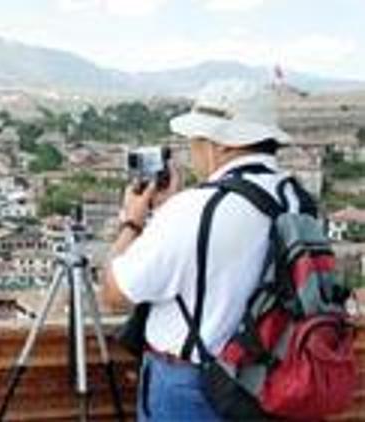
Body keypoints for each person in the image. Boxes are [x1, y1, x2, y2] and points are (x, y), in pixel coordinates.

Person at [102, 79, 299, 421]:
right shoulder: (295, 198)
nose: (191, 149)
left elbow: (114, 292)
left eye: (195, 139)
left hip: (192, 389)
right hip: (268, 379)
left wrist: (131, 223)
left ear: (219, 144)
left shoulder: (195, 209)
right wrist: (173, 210)